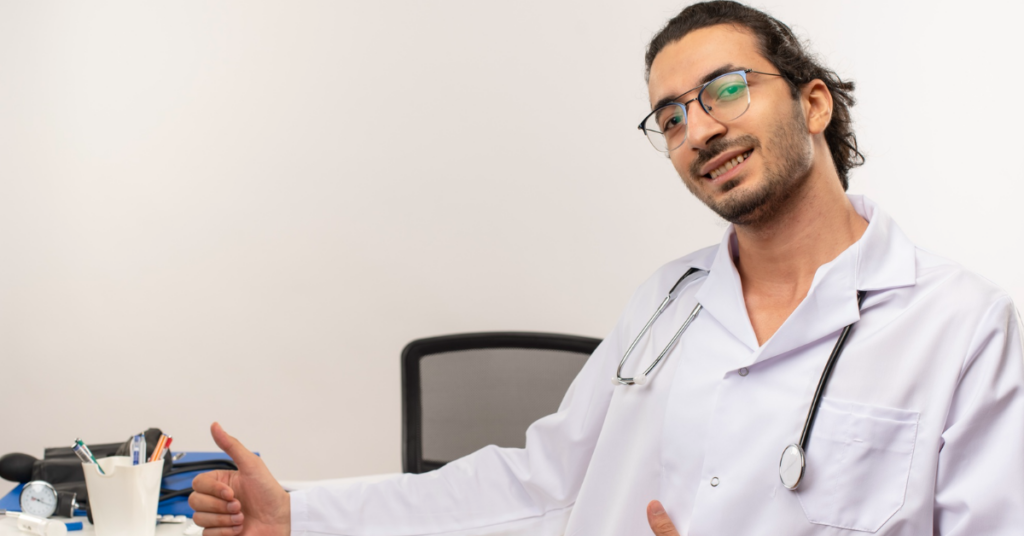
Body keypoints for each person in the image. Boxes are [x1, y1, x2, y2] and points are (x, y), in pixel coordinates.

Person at [189, 2, 1024, 535]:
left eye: (726, 89)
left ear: (812, 103)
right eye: (671, 116)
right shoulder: (668, 303)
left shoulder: (961, 327)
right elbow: (539, 485)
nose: (699, 130)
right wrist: (301, 514)